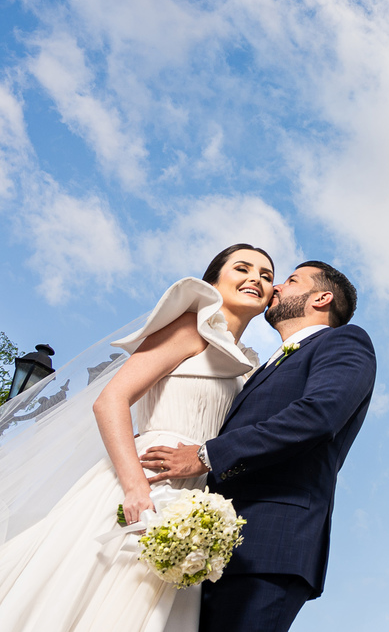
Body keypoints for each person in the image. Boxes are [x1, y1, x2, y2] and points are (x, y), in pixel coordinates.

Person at [0, 243, 275, 632]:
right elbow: (110, 401)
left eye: (266, 275)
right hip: (140, 482)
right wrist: (134, 491)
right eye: (243, 268)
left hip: (192, 502)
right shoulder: (189, 328)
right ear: (214, 280)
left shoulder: (249, 367)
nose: (256, 279)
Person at [141, 261, 376, 632]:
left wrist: (206, 455)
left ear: (322, 298)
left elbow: (318, 415)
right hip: (214, 545)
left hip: (271, 544)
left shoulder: (344, 341)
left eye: (291, 280)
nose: (277, 286)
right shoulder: (261, 366)